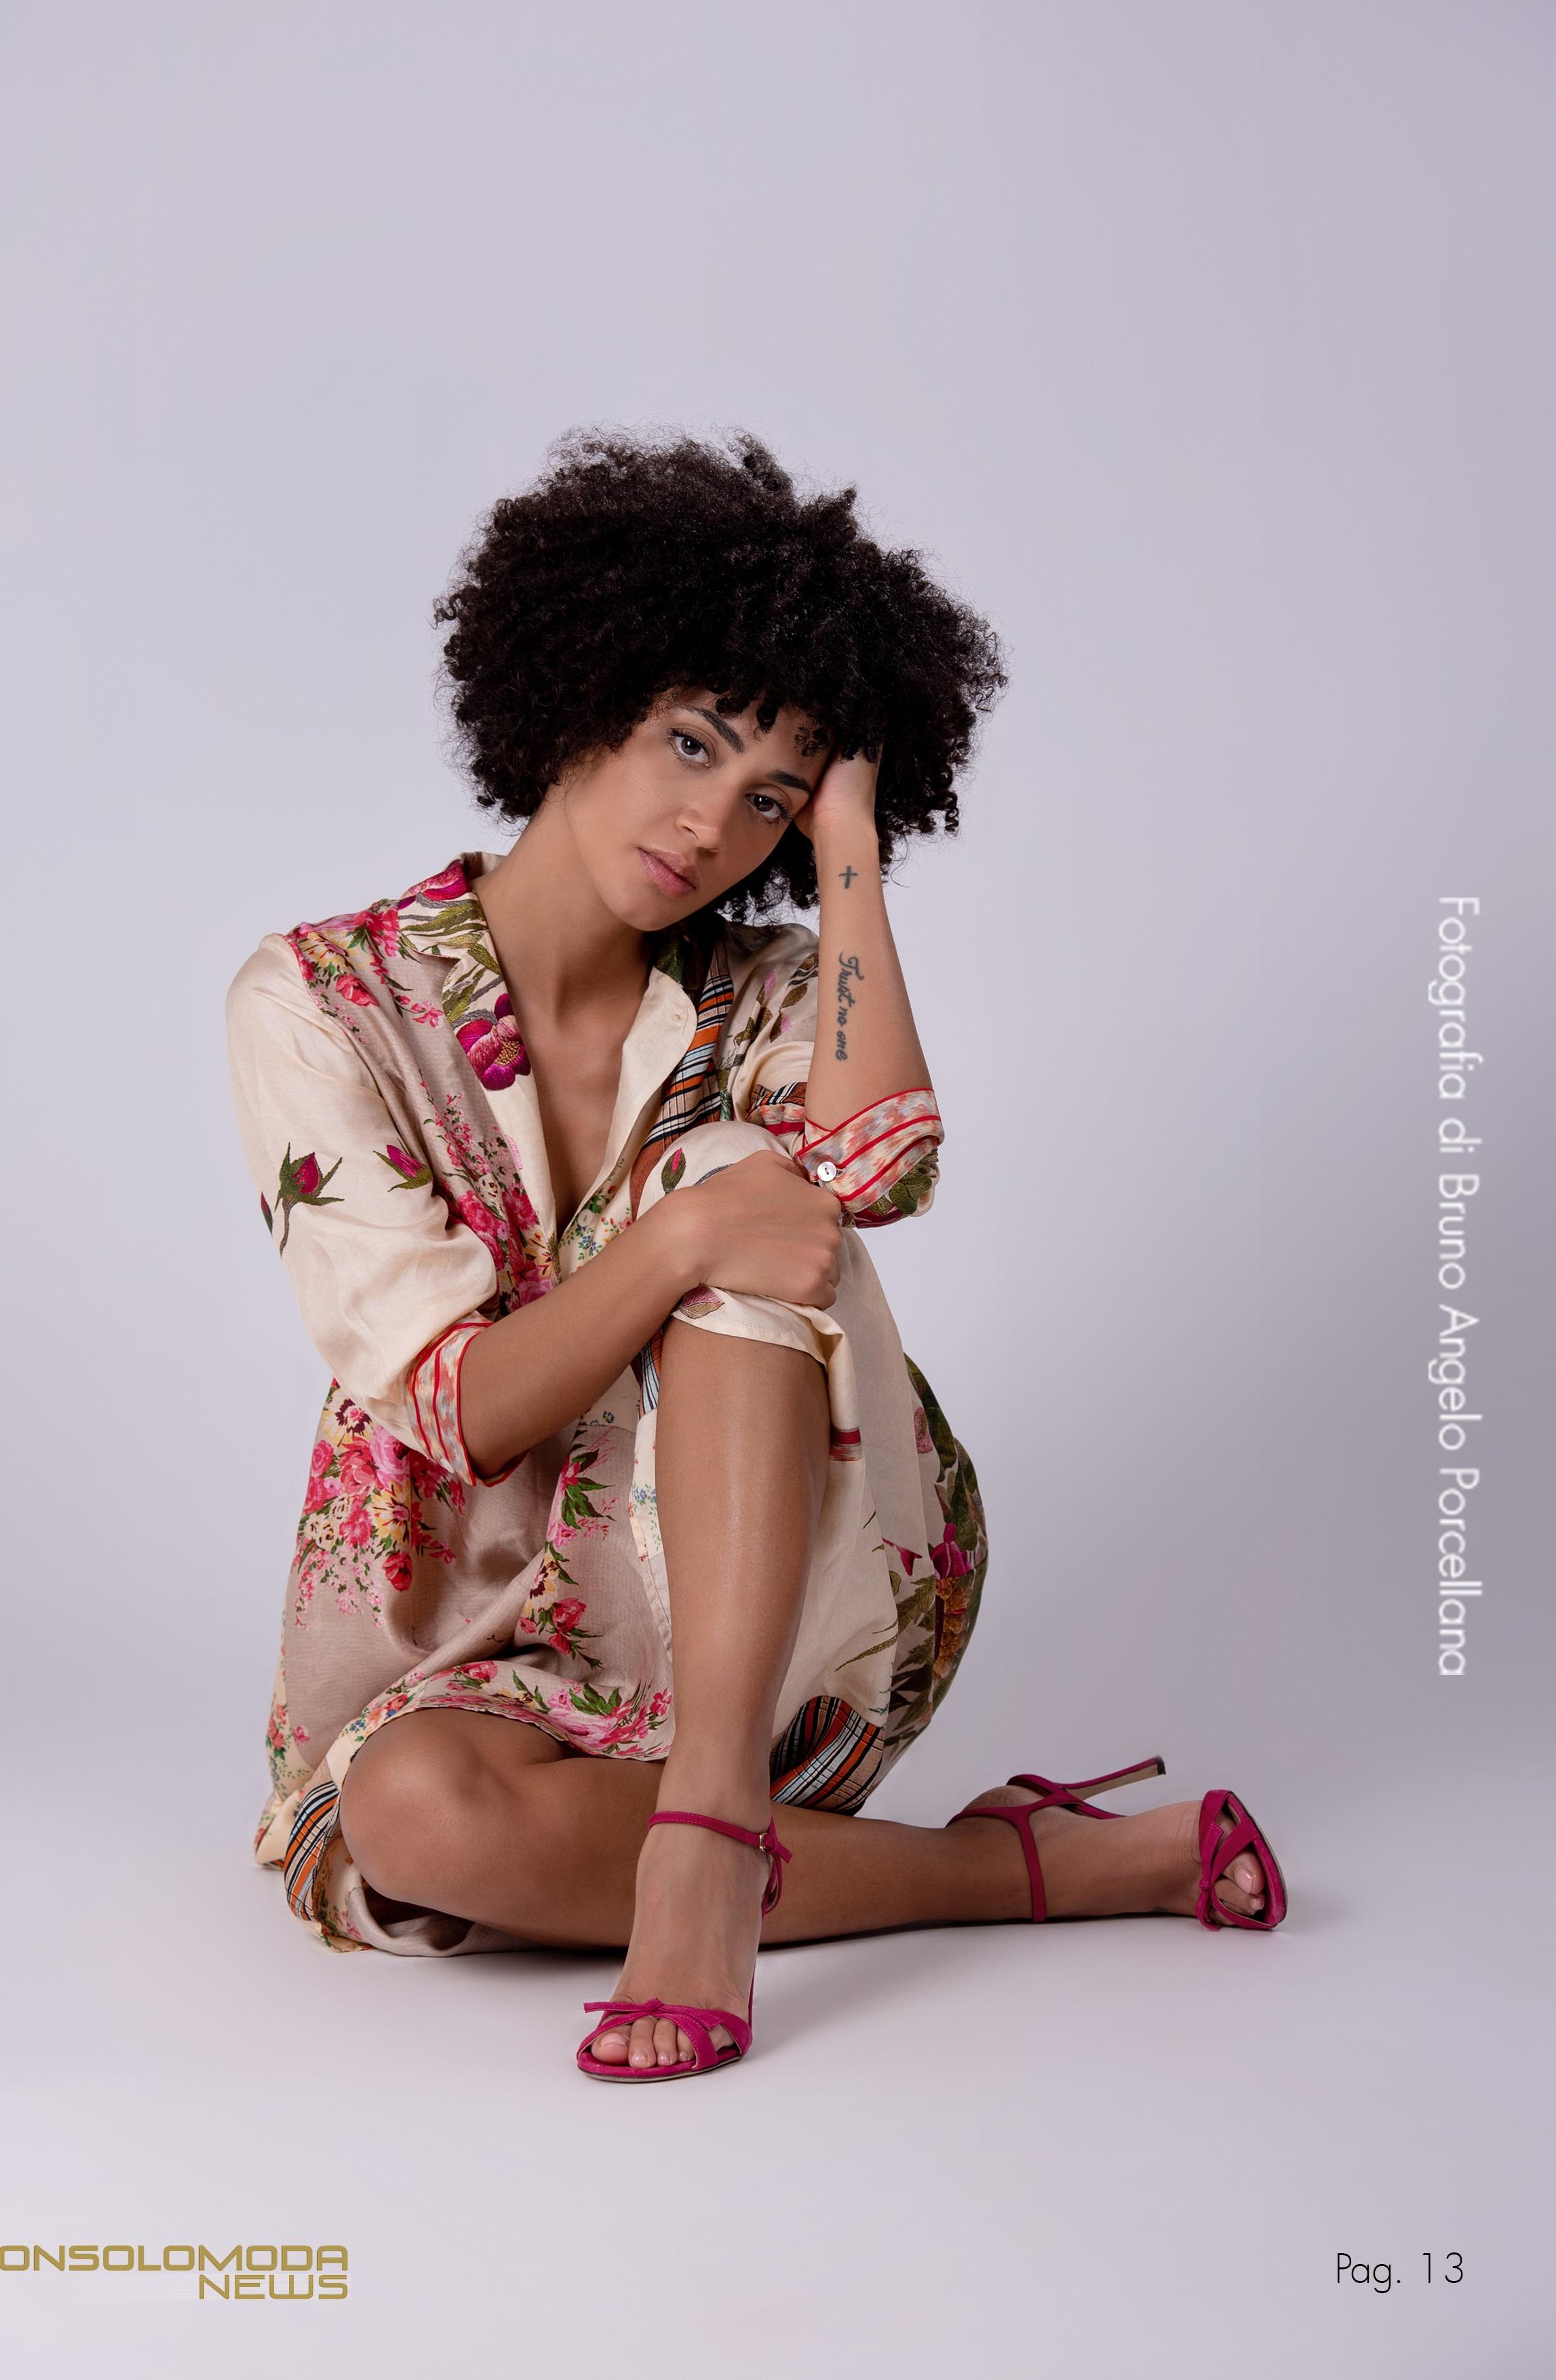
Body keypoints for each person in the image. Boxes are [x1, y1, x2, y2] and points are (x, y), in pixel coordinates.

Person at [225, 429, 1286, 2085]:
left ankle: (712, 1826)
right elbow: (459, 1409)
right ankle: (1014, 1867)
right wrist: (680, 1239)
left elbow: (881, 1164)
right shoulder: (320, 1002)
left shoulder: (766, 983)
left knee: (737, 1164)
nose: (712, 821)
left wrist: (852, 847)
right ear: (583, 691)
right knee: (413, 1816)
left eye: (770, 797)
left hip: (761, 1607)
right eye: (690, 741)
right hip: (476, 1622)